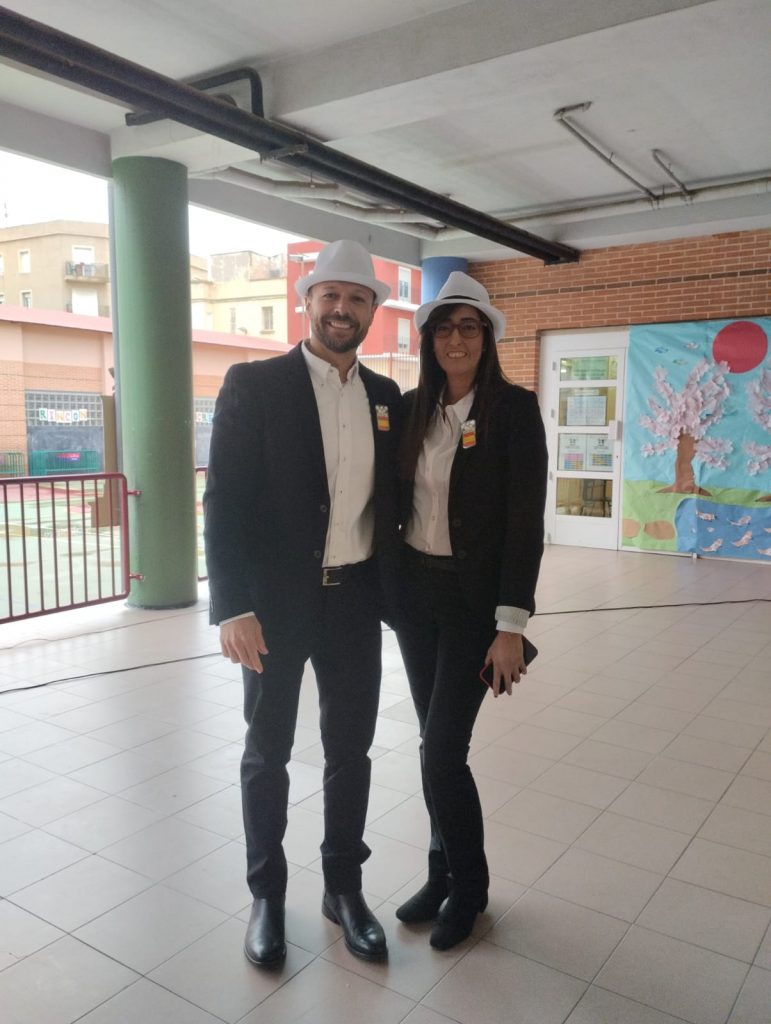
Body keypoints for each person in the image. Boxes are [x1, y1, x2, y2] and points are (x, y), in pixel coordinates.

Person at [203, 239, 402, 966]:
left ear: (373, 311)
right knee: (268, 752)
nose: (342, 309)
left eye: (357, 298)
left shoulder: (386, 398)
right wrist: (232, 606)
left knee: (351, 750)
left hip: (354, 603)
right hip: (273, 610)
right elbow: (224, 502)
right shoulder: (254, 384)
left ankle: (343, 888)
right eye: (330, 296)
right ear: (306, 301)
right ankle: (266, 895)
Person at [393, 271, 547, 950]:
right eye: (444, 328)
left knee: (442, 752)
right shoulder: (411, 410)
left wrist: (509, 626)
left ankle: (470, 888)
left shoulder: (513, 409)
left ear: (486, 338)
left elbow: (524, 522)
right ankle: (441, 874)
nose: (455, 339)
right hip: (416, 600)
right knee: (431, 744)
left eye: (469, 327)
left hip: (473, 606)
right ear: (429, 340)